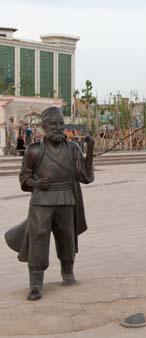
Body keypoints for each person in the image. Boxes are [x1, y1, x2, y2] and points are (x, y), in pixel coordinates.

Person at [6, 107, 95, 301]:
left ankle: (68, 273)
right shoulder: (33, 150)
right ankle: (36, 283)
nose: (58, 128)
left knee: (67, 238)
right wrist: (36, 183)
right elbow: (24, 178)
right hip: (42, 202)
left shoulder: (73, 149)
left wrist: (91, 150)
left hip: (66, 198)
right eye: (54, 124)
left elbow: (86, 177)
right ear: (45, 127)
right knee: (38, 239)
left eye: (61, 124)